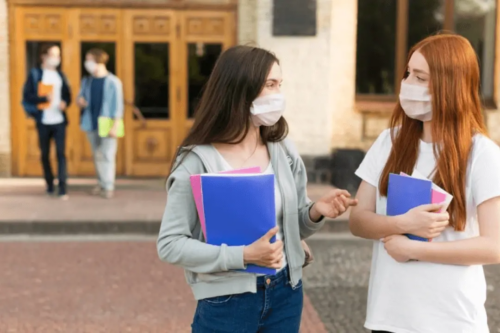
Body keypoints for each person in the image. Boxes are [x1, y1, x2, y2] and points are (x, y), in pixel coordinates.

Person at [157, 45, 358, 332]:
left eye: (280, 84)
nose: (279, 94)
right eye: (270, 85)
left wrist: (315, 212)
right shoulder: (196, 161)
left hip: (286, 292)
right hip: (227, 301)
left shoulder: (283, 151)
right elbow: (170, 244)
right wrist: (243, 256)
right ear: (241, 89)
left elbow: (291, 228)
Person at [349, 33, 500, 333]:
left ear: (450, 85)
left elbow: (494, 246)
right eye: (408, 74)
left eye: (420, 77)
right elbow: (358, 221)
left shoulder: (483, 154)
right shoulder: (388, 142)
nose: (408, 85)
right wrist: (401, 223)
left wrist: (415, 249)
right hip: (388, 317)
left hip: (452, 322)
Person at [22, 43, 72, 199]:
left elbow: (67, 96)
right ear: (44, 56)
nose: (56, 58)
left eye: (58, 55)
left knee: (60, 154)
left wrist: (65, 103)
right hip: (43, 120)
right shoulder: (36, 74)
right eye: (53, 55)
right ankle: (50, 184)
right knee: (44, 154)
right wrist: (43, 98)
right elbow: (27, 96)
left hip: (59, 121)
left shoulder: (61, 75)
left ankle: (62, 187)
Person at [77, 48, 123, 199]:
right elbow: (79, 98)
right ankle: (101, 183)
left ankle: (108, 186)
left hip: (108, 122)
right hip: (90, 122)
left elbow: (118, 106)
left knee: (107, 155)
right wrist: (80, 102)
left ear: (98, 60)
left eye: (89, 59)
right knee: (96, 155)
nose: (87, 63)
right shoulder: (87, 81)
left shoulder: (113, 82)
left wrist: (116, 125)